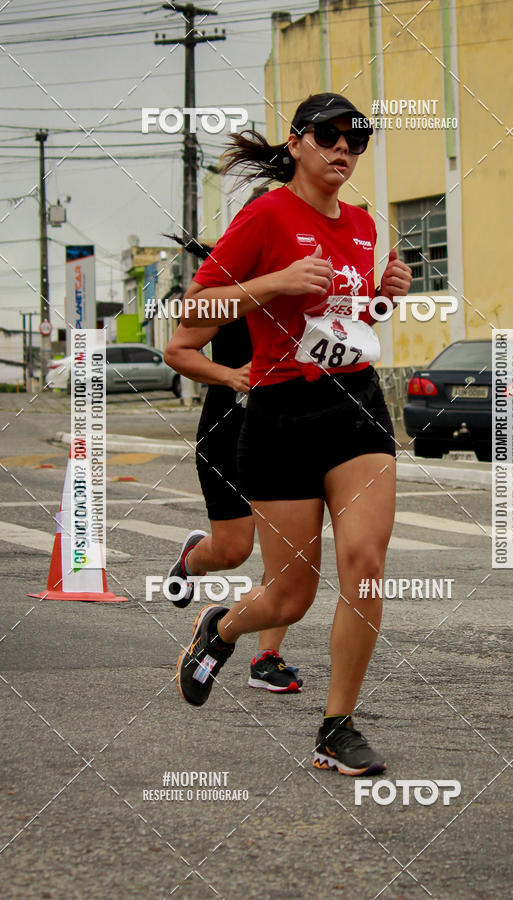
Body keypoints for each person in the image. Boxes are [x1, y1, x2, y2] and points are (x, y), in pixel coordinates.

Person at [176, 92, 412, 776]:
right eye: (330, 136)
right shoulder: (266, 216)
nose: (343, 148)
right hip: (279, 416)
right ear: (299, 141)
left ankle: (337, 727)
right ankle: (219, 630)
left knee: (365, 564)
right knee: (291, 595)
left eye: (357, 139)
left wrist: (382, 297)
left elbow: (342, 318)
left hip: (355, 405)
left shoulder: (365, 226)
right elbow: (193, 312)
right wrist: (274, 279)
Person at [164, 237, 302, 694]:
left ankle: (266, 658)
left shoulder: (305, 287)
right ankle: (194, 557)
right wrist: (230, 375)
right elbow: (177, 353)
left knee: (288, 555)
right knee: (234, 551)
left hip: (287, 432)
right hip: (226, 433)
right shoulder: (224, 294)